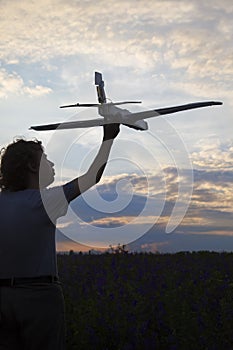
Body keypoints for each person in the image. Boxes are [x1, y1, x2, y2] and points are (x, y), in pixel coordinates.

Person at [0, 123, 120, 350]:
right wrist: (109, 138)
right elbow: (92, 176)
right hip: (40, 297)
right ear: (31, 166)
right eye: (45, 159)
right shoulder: (46, 201)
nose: (51, 164)